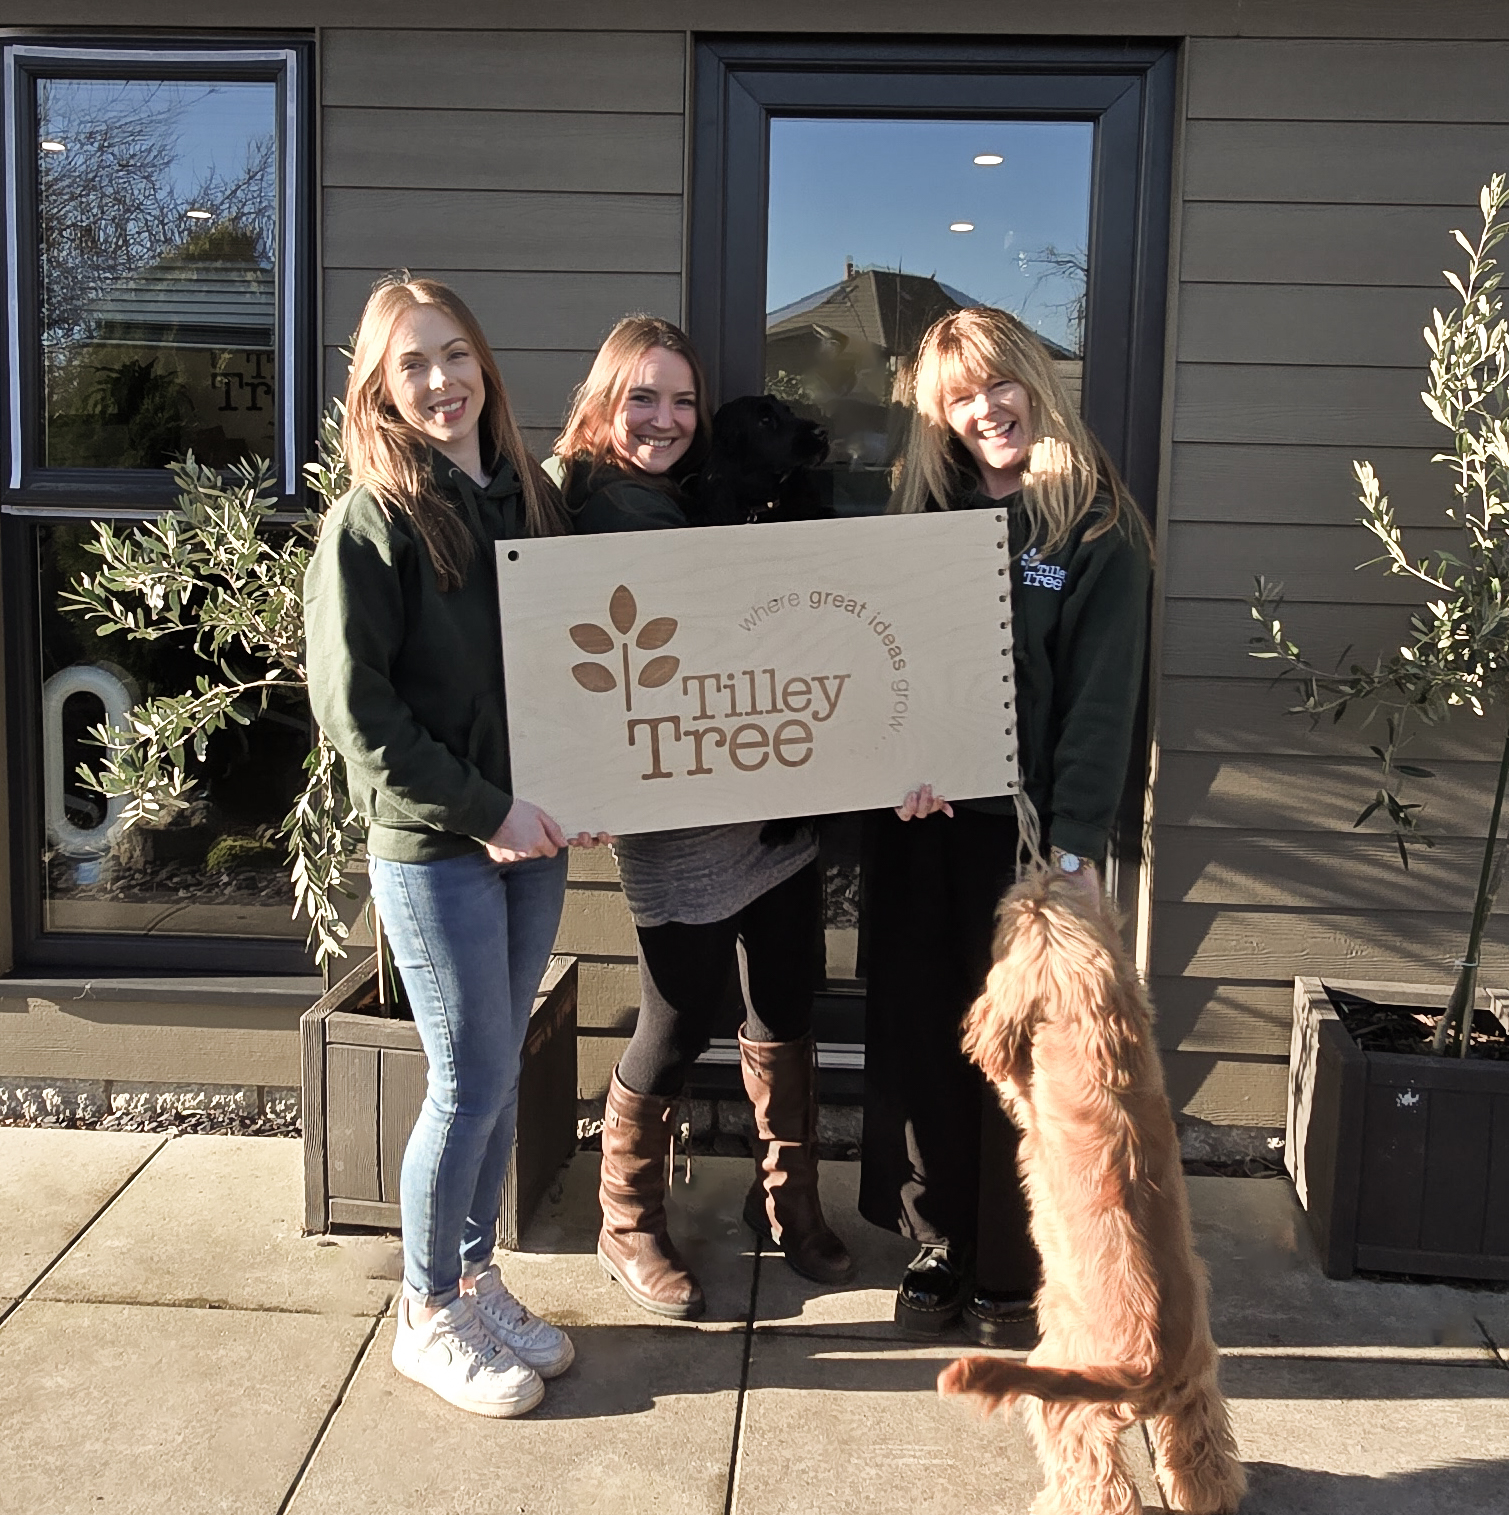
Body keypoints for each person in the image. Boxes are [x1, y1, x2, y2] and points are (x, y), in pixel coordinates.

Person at [304, 274, 594, 1419]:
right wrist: (488, 810)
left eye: (455, 353)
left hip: (534, 834)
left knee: (497, 1073)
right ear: (379, 384)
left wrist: (584, 782)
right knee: (468, 1076)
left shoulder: (525, 493)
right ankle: (424, 1313)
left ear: (486, 365)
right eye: (413, 362)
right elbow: (355, 709)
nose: (440, 380)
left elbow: (575, 654)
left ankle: (475, 1281)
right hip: (440, 846)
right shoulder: (372, 517)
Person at [858, 305, 1152, 1345]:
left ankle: (1012, 1260)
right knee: (920, 1035)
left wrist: (1074, 849)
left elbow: (1100, 705)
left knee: (1021, 1057)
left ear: (1032, 377)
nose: (984, 410)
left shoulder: (1094, 527)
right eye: (957, 398)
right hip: (920, 829)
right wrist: (893, 768)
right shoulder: (922, 520)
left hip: (1021, 845)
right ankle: (936, 1236)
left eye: (996, 384)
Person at [551, 314, 853, 1319]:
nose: (666, 417)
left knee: (787, 998)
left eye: (683, 398)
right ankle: (626, 1219)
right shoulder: (576, 511)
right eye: (644, 396)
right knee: (681, 1018)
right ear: (605, 402)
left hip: (769, 785)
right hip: (676, 803)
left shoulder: (699, 498)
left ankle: (790, 1199)